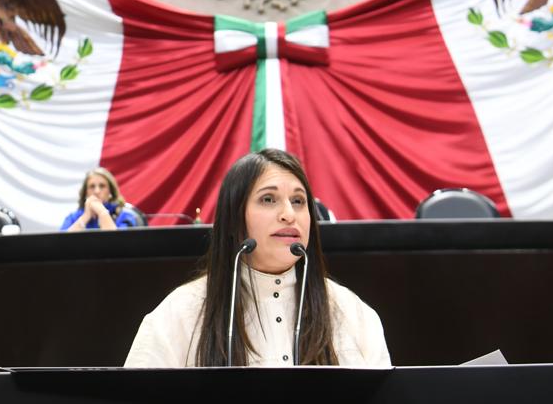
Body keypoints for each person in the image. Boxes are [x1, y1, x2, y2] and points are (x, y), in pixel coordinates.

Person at [125, 148, 390, 367]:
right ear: (234, 219)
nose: (289, 214)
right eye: (268, 199)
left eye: (298, 201)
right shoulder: (180, 312)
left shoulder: (351, 312)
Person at [61, 167, 139, 231]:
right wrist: (86, 217)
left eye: (102, 186)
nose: (97, 191)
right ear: (85, 193)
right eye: (92, 186)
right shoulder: (73, 217)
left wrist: (102, 212)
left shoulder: (125, 216)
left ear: (110, 192)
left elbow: (118, 242)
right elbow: (61, 243)